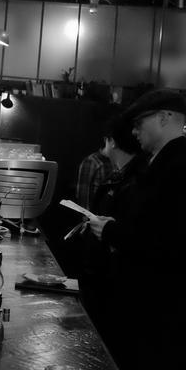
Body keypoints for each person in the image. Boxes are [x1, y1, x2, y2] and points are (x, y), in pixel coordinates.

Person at [87, 89, 186, 370]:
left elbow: (170, 242)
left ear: (164, 117)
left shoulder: (178, 166)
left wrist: (111, 232)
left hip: (157, 308)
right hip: (144, 303)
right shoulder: (157, 161)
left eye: (139, 121)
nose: (134, 130)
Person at [76, 113, 144, 357]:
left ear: (112, 141)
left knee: (101, 345)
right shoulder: (125, 174)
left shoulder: (136, 179)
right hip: (102, 274)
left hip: (111, 282)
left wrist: (106, 229)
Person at [75, 129, 115, 210]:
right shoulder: (92, 161)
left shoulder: (117, 161)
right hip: (94, 213)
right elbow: (83, 198)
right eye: (113, 141)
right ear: (106, 140)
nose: (115, 146)